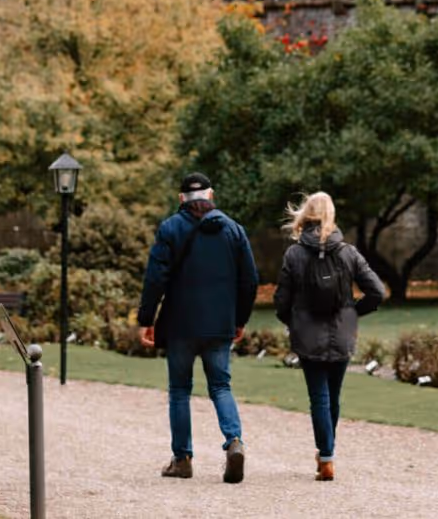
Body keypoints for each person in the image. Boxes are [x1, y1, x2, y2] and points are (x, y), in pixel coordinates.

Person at [138, 172, 259, 484]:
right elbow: (250, 280)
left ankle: (182, 459)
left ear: (181, 199)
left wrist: (146, 319)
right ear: (211, 195)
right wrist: (240, 319)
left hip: (180, 324)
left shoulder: (170, 228)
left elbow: (155, 279)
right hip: (219, 324)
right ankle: (234, 442)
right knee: (221, 386)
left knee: (180, 390)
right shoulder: (234, 230)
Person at [274, 192, 384, 481]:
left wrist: (293, 321)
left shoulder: (294, 254)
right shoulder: (348, 252)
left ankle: (326, 457)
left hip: (308, 335)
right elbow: (377, 291)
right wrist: (353, 312)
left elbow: (280, 302)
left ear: (306, 215)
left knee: (319, 398)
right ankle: (327, 453)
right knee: (333, 397)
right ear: (331, 215)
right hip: (341, 332)